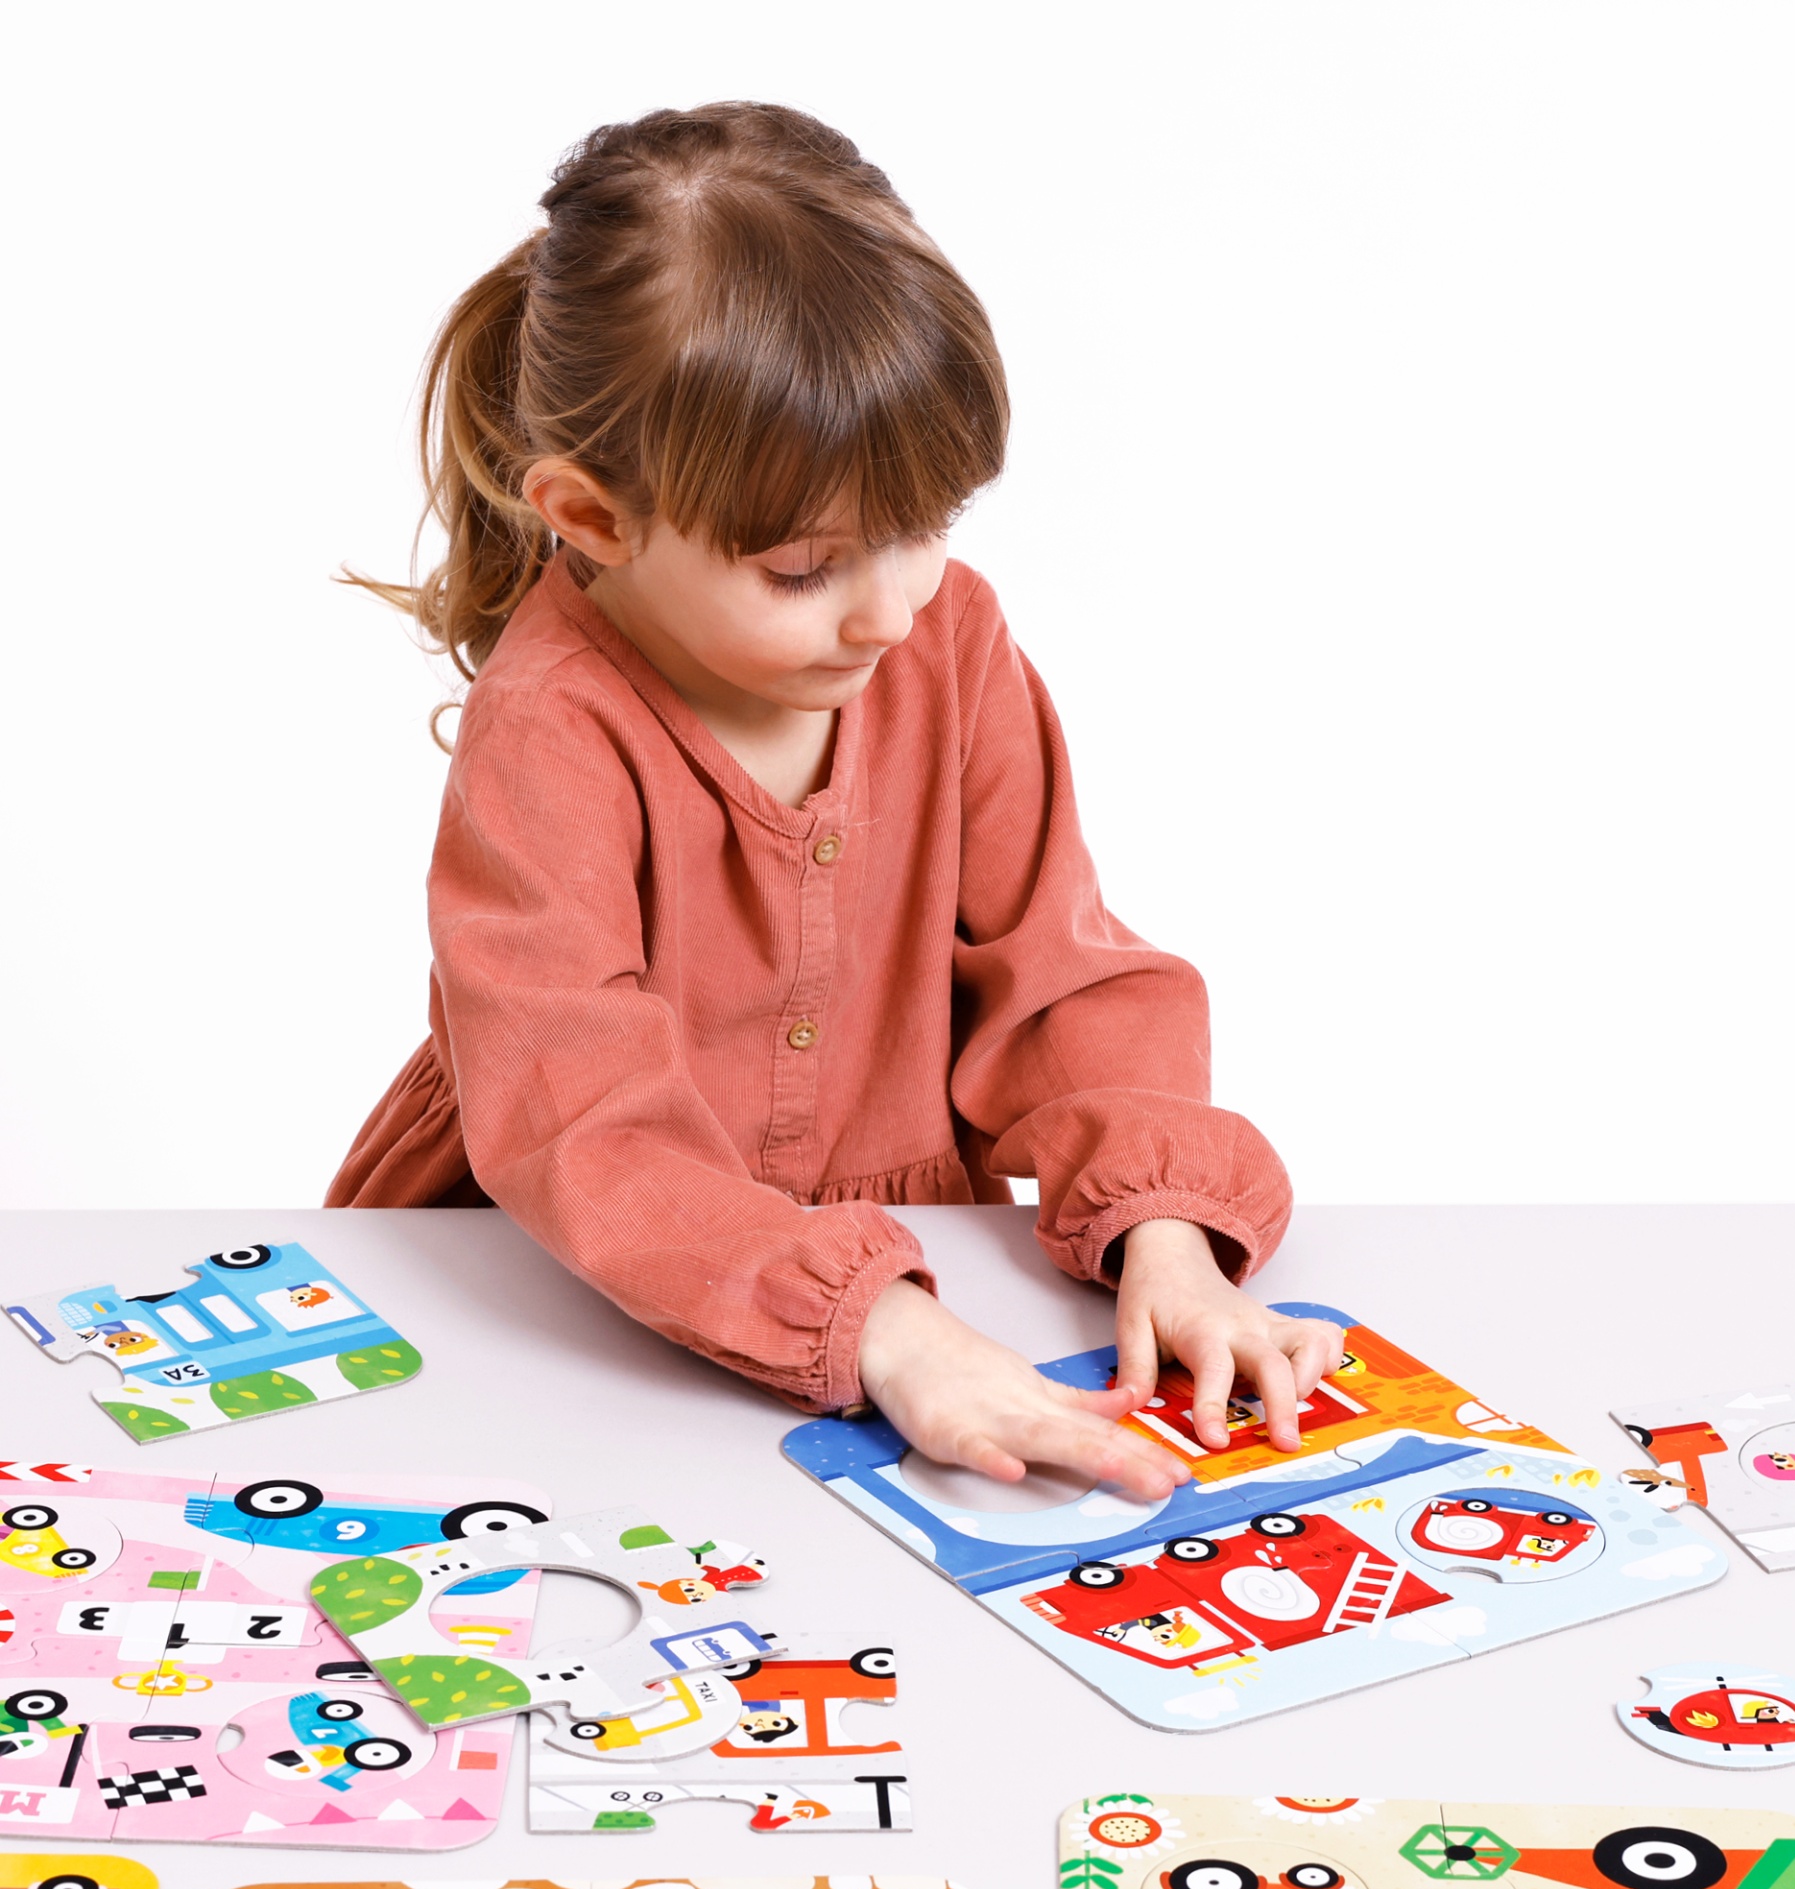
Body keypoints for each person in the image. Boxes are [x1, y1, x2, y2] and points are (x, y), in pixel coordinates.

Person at [327, 102, 1339, 1498]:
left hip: (915, 1299)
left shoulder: (951, 638)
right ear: (596, 517)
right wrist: (883, 1330)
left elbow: (1056, 974)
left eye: (926, 528)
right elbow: (588, 1124)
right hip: (566, 1284)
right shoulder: (552, 726)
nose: (887, 610)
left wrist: (1166, 1233)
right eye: (807, 569)